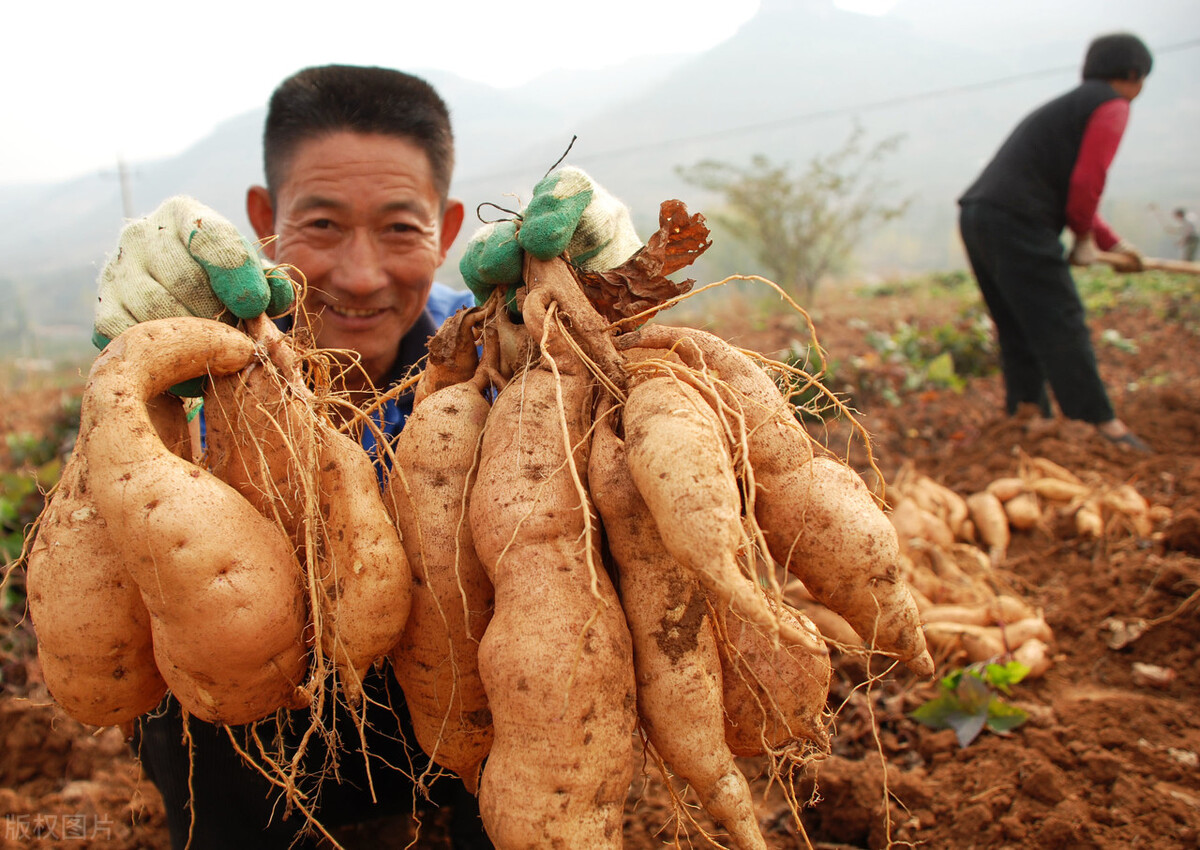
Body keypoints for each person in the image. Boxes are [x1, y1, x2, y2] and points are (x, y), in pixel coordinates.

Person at [91, 65, 641, 849]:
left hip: (470, 700)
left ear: (448, 230)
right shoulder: (199, 372)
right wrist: (139, 357)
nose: (358, 274)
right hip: (264, 712)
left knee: (563, 613)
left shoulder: (504, 352)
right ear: (263, 218)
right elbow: (120, 510)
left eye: (398, 228)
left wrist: (613, 320)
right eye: (320, 226)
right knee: (186, 640)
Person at [957, 32, 1153, 451]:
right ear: (1134, 76)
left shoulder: (1067, 108)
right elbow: (1087, 181)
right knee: (1060, 318)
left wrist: (1112, 244)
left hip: (980, 214)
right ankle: (1098, 425)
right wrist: (1082, 237)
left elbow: (1070, 187)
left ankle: (1026, 417)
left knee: (1016, 324)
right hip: (1017, 219)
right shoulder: (1112, 106)